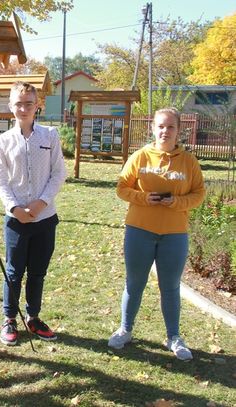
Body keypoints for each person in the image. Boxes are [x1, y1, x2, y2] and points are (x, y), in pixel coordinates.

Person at [108, 107, 205, 361]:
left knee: (170, 287)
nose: (165, 131)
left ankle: (174, 336)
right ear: (153, 128)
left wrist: (175, 202)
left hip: (174, 234)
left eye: (170, 127)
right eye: (160, 126)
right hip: (139, 230)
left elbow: (199, 194)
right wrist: (143, 198)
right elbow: (121, 188)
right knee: (135, 283)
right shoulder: (140, 157)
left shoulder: (189, 161)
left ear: (178, 130)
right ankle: (125, 329)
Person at [0, 82, 67, 345]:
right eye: (18, 103)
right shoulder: (2, 141)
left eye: (28, 103)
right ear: (10, 107)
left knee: (38, 272)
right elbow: (0, 181)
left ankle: (33, 317)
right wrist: (15, 208)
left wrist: (41, 204)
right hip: (16, 220)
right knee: (14, 271)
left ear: (38, 106)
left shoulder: (50, 135)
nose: (23, 108)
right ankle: (9, 319)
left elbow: (59, 172)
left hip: (44, 218)